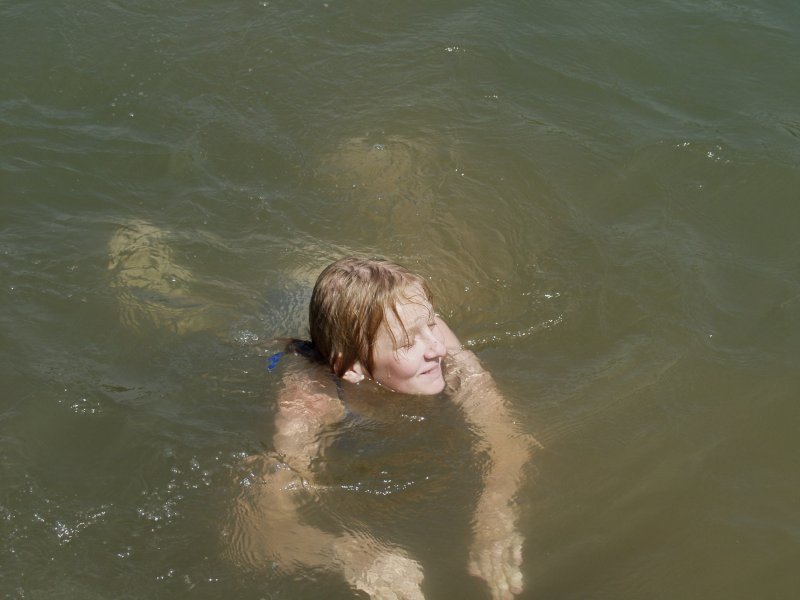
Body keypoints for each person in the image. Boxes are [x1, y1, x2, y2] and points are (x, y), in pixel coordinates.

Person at [225, 257, 535, 600]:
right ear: (351, 368)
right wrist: (351, 554)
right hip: (275, 311)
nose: (436, 349)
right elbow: (264, 525)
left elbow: (504, 433)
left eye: (431, 323)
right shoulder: (311, 400)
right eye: (407, 342)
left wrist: (496, 512)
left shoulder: (433, 336)